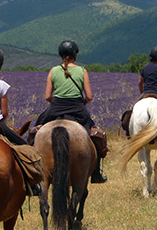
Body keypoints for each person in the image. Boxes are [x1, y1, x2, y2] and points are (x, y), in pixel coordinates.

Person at [33, 40, 108, 184]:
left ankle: (33, 174)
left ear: (61, 54)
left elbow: (48, 96)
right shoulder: (82, 71)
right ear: (76, 54)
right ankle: (96, 173)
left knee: (34, 135)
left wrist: (59, 103)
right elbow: (90, 96)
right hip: (78, 109)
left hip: (55, 109)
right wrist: (79, 103)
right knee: (96, 137)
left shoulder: (53, 71)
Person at [120, 45, 157, 141]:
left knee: (132, 110)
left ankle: (128, 132)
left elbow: (140, 82)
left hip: (146, 93)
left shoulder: (145, 68)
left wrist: (142, 93)